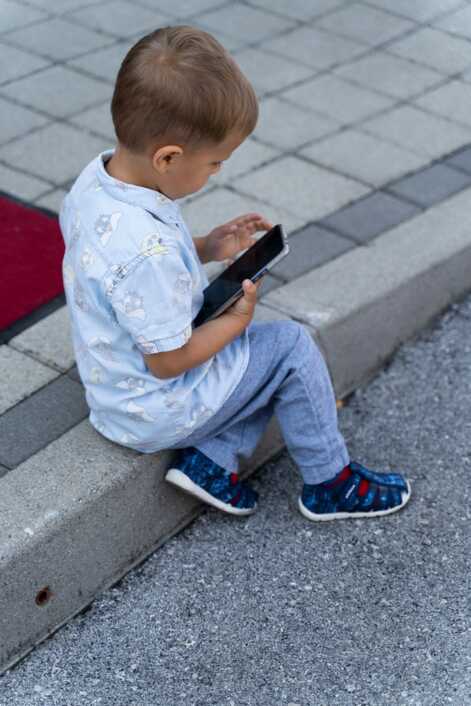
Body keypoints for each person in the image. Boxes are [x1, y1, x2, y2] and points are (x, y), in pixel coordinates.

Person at [59, 25, 411, 522]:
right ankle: (331, 483)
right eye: (214, 163)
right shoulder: (147, 251)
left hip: (115, 393)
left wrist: (206, 246)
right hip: (158, 406)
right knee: (288, 348)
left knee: (252, 360)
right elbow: (168, 361)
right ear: (168, 158)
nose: (217, 172)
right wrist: (235, 322)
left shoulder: (96, 183)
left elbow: (119, 266)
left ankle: (212, 462)